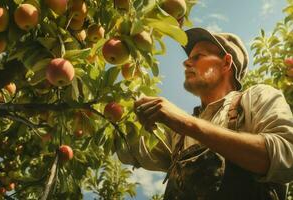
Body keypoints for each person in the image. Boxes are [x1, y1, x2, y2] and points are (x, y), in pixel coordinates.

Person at [115, 27, 293, 200]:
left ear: (226, 62)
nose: (186, 62)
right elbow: (128, 148)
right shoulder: (177, 136)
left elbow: (287, 157)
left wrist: (187, 124)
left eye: (198, 56)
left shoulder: (255, 97)